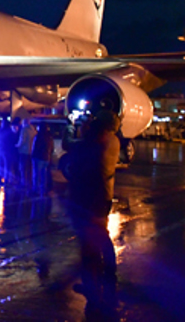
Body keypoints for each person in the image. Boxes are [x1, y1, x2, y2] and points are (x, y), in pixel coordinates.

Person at [68, 109, 121, 315]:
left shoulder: (99, 144)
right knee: (98, 238)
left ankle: (97, 281)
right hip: (100, 197)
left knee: (92, 240)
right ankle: (104, 277)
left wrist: (73, 129)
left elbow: (73, 149)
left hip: (93, 198)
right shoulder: (112, 141)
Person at [31, 122, 54, 195]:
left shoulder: (38, 136)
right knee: (44, 175)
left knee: (37, 174)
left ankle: (36, 189)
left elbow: (35, 147)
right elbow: (52, 148)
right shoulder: (49, 137)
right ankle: (43, 189)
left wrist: (32, 155)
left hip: (38, 157)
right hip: (46, 158)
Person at [16, 118, 37, 190]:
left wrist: (17, 146)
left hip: (23, 151)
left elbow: (22, 140)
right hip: (31, 152)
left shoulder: (24, 130)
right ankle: (30, 183)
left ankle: (23, 183)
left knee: (23, 168)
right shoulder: (34, 130)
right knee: (29, 169)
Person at [0, 117, 17, 186]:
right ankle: (7, 181)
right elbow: (14, 141)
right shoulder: (10, 132)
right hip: (7, 151)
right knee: (7, 167)